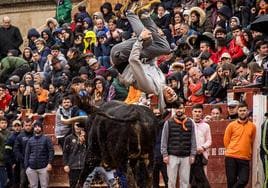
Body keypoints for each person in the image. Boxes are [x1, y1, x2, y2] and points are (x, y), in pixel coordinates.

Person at [111, 5, 176, 111]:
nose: (172, 93)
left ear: (163, 99)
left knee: (147, 40)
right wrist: (159, 36)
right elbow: (151, 62)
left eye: (170, 97)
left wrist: (140, 40)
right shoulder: (162, 81)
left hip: (121, 57)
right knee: (165, 48)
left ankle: (129, 12)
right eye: (174, 95)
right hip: (133, 54)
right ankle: (144, 15)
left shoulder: (150, 87)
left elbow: (133, 61)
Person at [161, 102, 196, 188]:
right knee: (171, 182)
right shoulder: (168, 122)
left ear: (184, 109)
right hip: (172, 156)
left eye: (180, 108)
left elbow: (193, 139)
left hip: (186, 156)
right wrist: (165, 154)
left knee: (185, 181)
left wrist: (192, 154)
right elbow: (164, 140)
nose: (178, 110)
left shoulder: (190, 122)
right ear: (174, 110)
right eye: (176, 108)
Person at [224, 102, 256, 188]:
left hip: (244, 157)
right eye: (240, 110)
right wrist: (231, 150)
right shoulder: (231, 125)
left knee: (244, 180)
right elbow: (226, 141)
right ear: (237, 111)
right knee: (231, 181)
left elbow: (252, 140)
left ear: (247, 111)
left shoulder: (252, 126)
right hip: (231, 156)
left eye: (244, 110)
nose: (242, 112)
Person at [25, 119, 54, 188]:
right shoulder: (30, 140)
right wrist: (27, 167)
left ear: (41, 128)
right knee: (33, 186)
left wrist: (49, 163)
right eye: (35, 127)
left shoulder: (46, 139)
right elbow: (27, 153)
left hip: (43, 167)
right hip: (31, 168)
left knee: (44, 186)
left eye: (39, 126)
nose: (37, 128)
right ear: (34, 128)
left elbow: (51, 151)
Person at [63, 122, 86, 188]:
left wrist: (84, 141)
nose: (78, 127)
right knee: (73, 185)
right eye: (76, 125)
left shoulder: (87, 137)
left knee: (85, 185)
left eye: (79, 125)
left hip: (84, 167)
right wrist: (66, 164)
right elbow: (65, 152)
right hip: (73, 166)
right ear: (73, 126)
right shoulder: (68, 138)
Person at [191, 104, 212, 175]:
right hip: (190, 154)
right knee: (190, 178)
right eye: (195, 111)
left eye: (199, 112)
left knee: (203, 177)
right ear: (192, 112)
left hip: (202, 154)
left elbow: (209, 140)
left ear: (202, 113)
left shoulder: (206, 126)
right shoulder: (188, 124)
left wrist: (202, 147)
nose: (197, 113)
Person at [14, 117, 33, 188]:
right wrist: (23, 159)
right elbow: (16, 150)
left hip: (34, 162)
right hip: (23, 164)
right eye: (26, 125)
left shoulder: (35, 135)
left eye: (29, 125)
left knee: (33, 182)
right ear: (23, 126)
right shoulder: (20, 136)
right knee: (23, 182)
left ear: (32, 126)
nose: (28, 127)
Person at [4, 120, 22, 188]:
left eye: (18, 126)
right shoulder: (10, 138)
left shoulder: (23, 136)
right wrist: (12, 163)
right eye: (15, 126)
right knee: (15, 182)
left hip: (22, 162)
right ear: (13, 127)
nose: (17, 128)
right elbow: (7, 152)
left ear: (21, 127)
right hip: (14, 164)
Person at [0, 117, 10, 188]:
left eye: (5, 123)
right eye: (2, 123)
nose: (4, 124)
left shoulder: (9, 133)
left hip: (8, 161)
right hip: (1, 161)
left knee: (6, 181)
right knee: (2, 182)